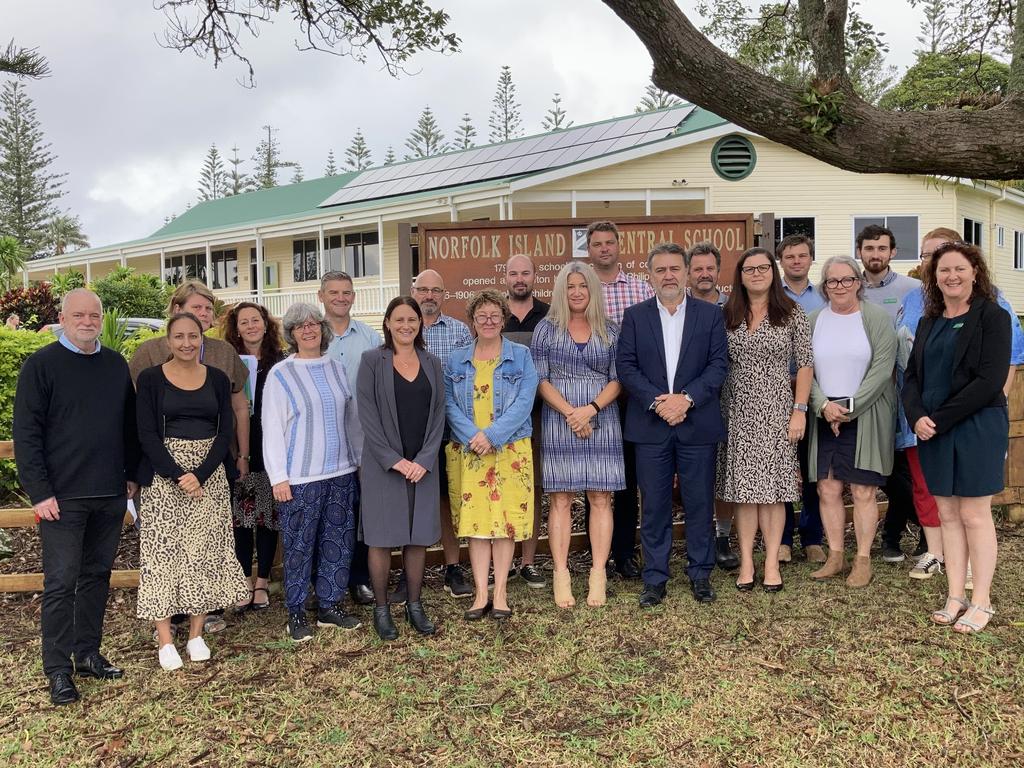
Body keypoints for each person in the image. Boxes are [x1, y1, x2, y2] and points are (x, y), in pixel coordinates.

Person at [13, 289, 139, 705]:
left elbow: (128, 426)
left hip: (108, 492)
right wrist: (39, 491)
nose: (87, 321)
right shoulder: (41, 365)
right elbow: (26, 434)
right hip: (61, 499)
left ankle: (87, 654)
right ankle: (58, 670)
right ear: (63, 320)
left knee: (96, 578)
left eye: (94, 315)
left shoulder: (115, 365)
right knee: (60, 583)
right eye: (78, 315)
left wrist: (131, 476)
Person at [896, 227, 1024, 581]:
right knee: (947, 514)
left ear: (975, 272)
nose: (951, 276)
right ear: (932, 277)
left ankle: (980, 598)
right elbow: (912, 377)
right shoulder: (927, 321)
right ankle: (954, 596)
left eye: (959, 269)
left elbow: (988, 381)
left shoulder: (993, 316)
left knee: (973, 515)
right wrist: (917, 416)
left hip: (976, 426)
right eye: (942, 269)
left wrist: (936, 419)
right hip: (933, 430)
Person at [129, 280, 250, 635]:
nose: (200, 317)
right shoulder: (148, 362)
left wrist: (236, 458)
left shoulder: (221, 361)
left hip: (210, 465)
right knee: (165, 548)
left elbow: (233, 413)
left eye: (207, 310)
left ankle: (205, 614)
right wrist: (173, 471)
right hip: (163, 467)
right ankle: (168, 622)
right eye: (193, 309)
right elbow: (142, 423)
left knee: (207, 545)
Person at [617, 243, 729, 606]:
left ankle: (700, 573)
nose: (668, 276)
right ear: (649, 276)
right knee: (654, 505)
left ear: (686, 273)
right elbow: (627, 367)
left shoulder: (710, 315)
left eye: (675, 269)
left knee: (699, 503)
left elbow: (718, 366)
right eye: (660, 270)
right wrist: (659, 402)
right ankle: (655, 577)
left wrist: (686, 399)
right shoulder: (635, 316)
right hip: (651, 426)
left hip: (696, 423)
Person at [262, 303, 362, 642]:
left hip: (340, 470)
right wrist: (278, 477)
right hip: (301, 477)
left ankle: (329, 606)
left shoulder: (336, 368)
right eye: (299, 326)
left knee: (338, 540)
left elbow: (350, 418)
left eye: (313, 324)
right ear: (291, 334)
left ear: (322, 329)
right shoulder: (281, 374)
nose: (308, 330)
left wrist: (357, 459)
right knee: (299, 546)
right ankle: (296, 611)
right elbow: (272, 427)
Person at [717, 248, 813, 592]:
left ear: (773, 273)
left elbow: (804, 363)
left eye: (763, 268)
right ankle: (746, 561)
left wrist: (799, 410)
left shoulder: (791, 312)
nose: (756, 273)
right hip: (736, 412)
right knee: (743, 493)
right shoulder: (726, 314)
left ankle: (771, 561)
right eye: (748, 269)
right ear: (739, 275)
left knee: (773, 493)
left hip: (777, 411)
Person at [531, 262, 624, 608]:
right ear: (561, 290)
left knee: (601, 497)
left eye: (583, 286)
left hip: (601, 415)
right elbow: (540, 378)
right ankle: (561, 572)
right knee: (561, 499)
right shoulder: (546, 330)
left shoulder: (611, 331)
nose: (576, 292)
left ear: (592, 290)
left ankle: (598, 573)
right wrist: (571, 411)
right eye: (570, 286)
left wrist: (591, 409)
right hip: (560, 417)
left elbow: (618, 378)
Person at [445, 290, 538, 620]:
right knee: (478, 525)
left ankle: (500, 592)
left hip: (509, 449)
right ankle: (480, 593)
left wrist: (493, 436)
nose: (488, 321)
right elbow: (449, 404)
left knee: (505, 522)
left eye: (494, 315)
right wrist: (474, 436)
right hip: (470, 451)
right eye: (481, 316)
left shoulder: (521, 356)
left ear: (504, 319)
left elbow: (524, 402)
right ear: (472, 320)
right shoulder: (456, 359)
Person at [357, 297, 446, 640]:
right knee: (381, 538)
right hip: (384, 465)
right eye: (399, 319)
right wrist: (394, 460)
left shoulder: (432, 362)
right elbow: (367, 416)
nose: (406, 325)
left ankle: (414, 604)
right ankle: (382, 609)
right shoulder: (371, 362)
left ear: (420, 324)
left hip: (423, 465)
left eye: (412, 319)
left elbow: (439, 413)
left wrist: (423, 460)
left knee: (417, 536)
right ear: (388, 323)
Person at [807, 256, 897, 588]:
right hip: (825, 414)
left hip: (866, 415)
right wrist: (823, 406)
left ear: (859, 282)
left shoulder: (876, 319)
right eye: (832, 281)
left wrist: (848, 409)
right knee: (827, 487)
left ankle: (862, 559)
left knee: (862, 489)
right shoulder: (815, 319)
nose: (840, 287)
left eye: (847, 280)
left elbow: (882, 370)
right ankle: (835, 555)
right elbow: (805, 370)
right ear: (824, 286)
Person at [587, 221, 654, 579]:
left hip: (632, 398)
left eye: (609, 243)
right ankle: (599, 552)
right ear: (589, 249)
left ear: (619, 246)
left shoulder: (642, 289)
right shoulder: (580, 289)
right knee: (595, 479)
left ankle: (625, 555)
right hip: (591, 398)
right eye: (597, 244)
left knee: (627, 480)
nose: (604, 249)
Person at [856, 225, 923, 567]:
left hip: (903, 391)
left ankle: (909, 537)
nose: (876, 254)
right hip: (862, 393)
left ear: (893, 252)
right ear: (860, 252)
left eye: (882, 248)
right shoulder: (848, 289)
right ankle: (922, 527)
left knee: (907, 466)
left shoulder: (913, 290)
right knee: (885, 471)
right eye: (869, 248)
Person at [320, 270, 382, 607]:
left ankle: (359, 580)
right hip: (322, 443)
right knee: (326, 512)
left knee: (360, 513)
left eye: (346, 292)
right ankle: (325, 581)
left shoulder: (370, 338)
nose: (341, 298)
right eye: (334, 292)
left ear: (353, 297)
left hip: (361, 440)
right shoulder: (311, 336)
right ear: (321, 296)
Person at [411, 269, 474, 599]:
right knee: (413, 501)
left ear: (444, 295)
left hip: (449, 433)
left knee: (448, 501)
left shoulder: (461, 333)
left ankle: (452, 567)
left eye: (436, 290)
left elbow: (462, 387)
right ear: (414, 290)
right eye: (423, 290)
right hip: (411, 435)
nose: (429, 296)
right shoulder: (402, 328)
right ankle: (409, 573)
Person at [221, 302, 285, 612]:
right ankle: (243, 579)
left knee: (268, 518)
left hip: (271, 447)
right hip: (239, 446)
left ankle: (262, 582)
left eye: (255, 320)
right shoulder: (229, 361)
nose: (250, 326)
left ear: (265, 324)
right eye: (243, 322)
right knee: (242, 519)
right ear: (236, 328)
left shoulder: (280, 361)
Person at [686, 241, 738, 571]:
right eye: (698, 269)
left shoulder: (733, 308)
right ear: (688, 273)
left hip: (729, 400)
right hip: (690, 403)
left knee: (724, 474)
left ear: (718, 271)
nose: (704, 274)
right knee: (693, 479)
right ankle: (697, 539)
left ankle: (722, 538)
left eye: (710, 268)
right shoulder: (678, 308)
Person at [503, 253, 550, 588]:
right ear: (505, 277)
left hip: (540, 416)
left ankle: (529, 562)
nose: (520, 279)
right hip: (501, 420)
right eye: (513, 273)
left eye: (525, 273)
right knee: (502, 488)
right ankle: (503, 562)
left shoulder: (550, 316)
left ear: (535, 276)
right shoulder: (493, 316)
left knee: (532, 489)